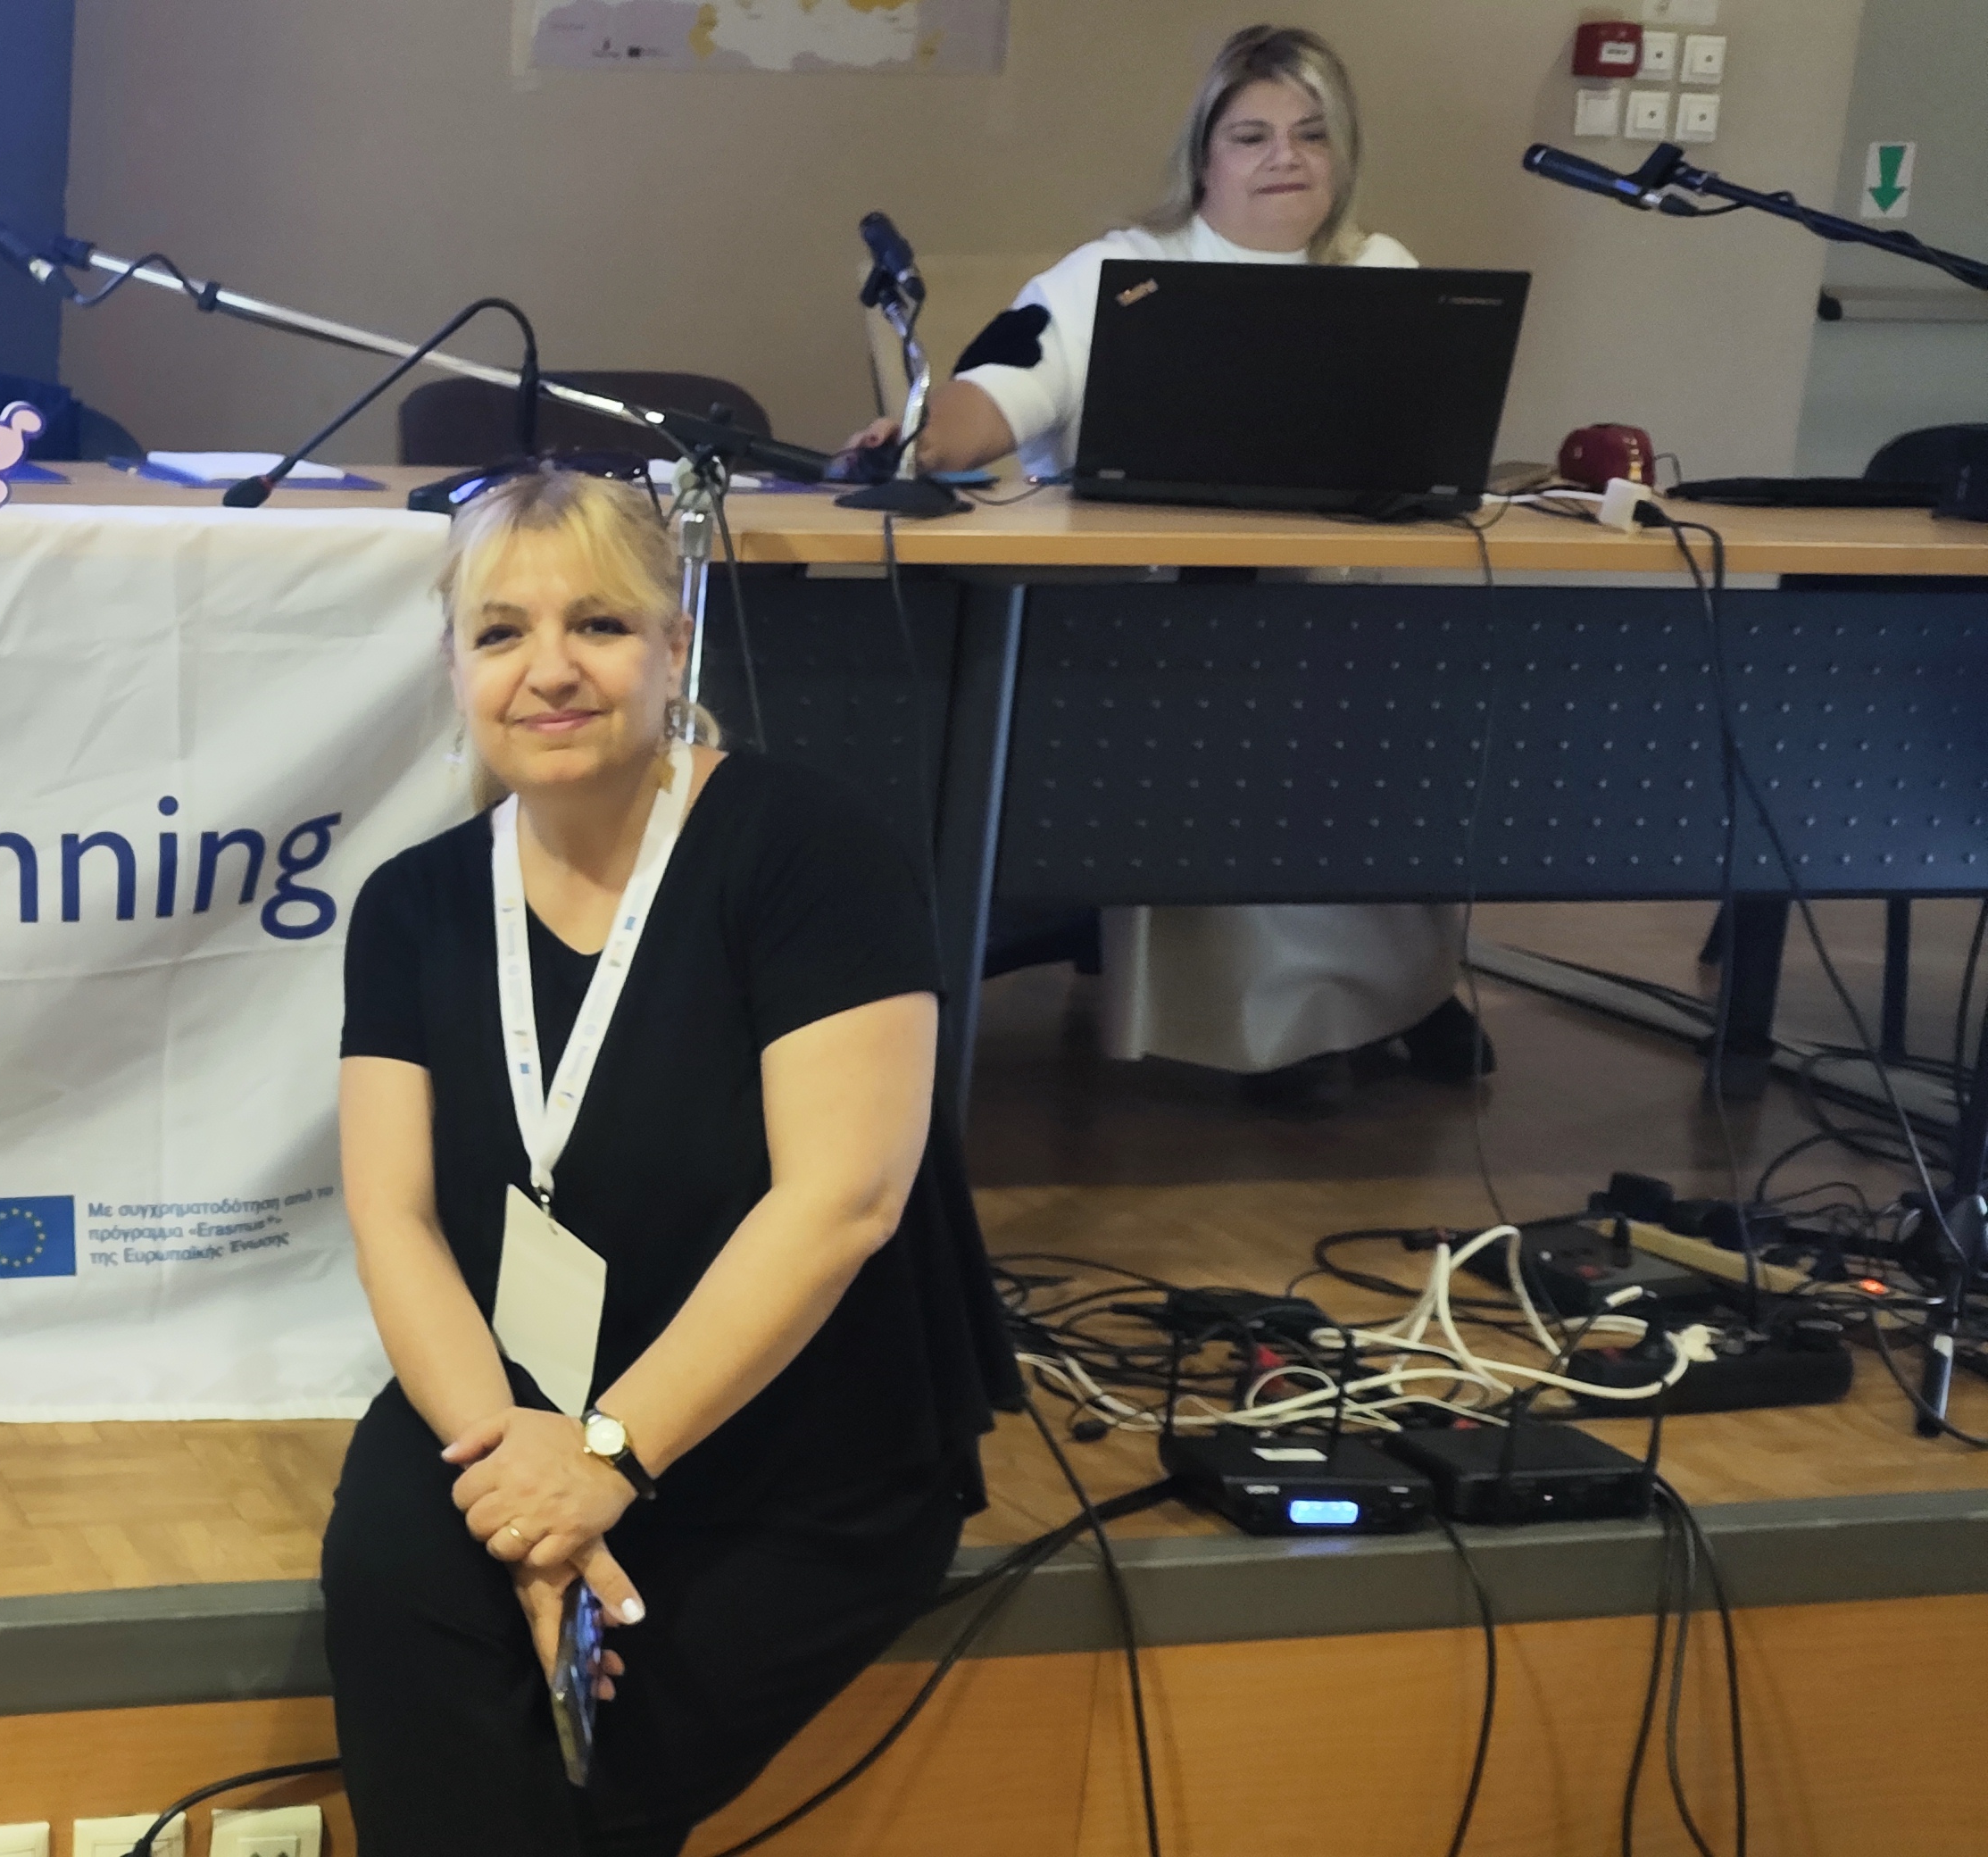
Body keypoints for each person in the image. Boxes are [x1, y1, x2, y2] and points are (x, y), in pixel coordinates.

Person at [319, 468, 1008, 1854]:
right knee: (407, 1645)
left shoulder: (812, 851)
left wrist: (607, 1463)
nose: (549, 670)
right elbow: (394, 1217)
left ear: (675, 644)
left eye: (600, 625)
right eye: (501, 632)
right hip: (507, 1406)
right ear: (453, 665)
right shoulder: (413, 904)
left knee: (585, 1791)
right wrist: (520, 1481)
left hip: (788, 1431)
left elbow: (846, 1202)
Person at [839, 22, 1486, 1111]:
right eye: (1251, 136)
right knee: (1246, 704)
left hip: (1329, 629)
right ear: (1204, 157)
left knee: (1393, 698)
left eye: (1311, 134)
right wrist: (921, 437)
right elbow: (1001, 387)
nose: (1284, 158)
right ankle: (1279, 1022)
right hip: (1135, 637)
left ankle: (1381, 996)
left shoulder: (1384, 275)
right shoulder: (1118, 272)